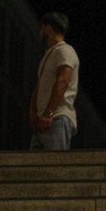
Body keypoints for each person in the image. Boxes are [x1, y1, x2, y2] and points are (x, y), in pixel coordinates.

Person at [29, 11, 79, 150]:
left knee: (55, 168)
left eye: (42, 28)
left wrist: (48, 114)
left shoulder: (65, 50)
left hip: (56, 118)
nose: (40, 32)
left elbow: (62, 81)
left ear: (48, 29)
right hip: (43, 120)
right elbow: (40, 87)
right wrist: (34, 113)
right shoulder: (50, 54)